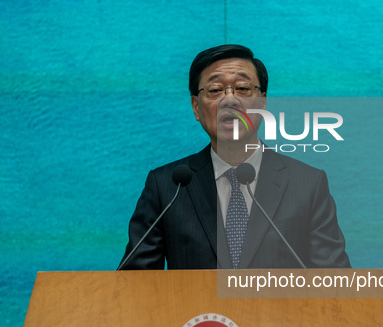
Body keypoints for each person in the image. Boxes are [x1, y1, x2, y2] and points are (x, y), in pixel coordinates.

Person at [119, 44, 350, 270]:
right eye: (215, 90)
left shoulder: (307, 184)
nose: (230, 100)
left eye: (242, 88)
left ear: (263, 102)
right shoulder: (168, 186)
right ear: (196, 107)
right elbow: (135, 286)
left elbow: (336, 285)